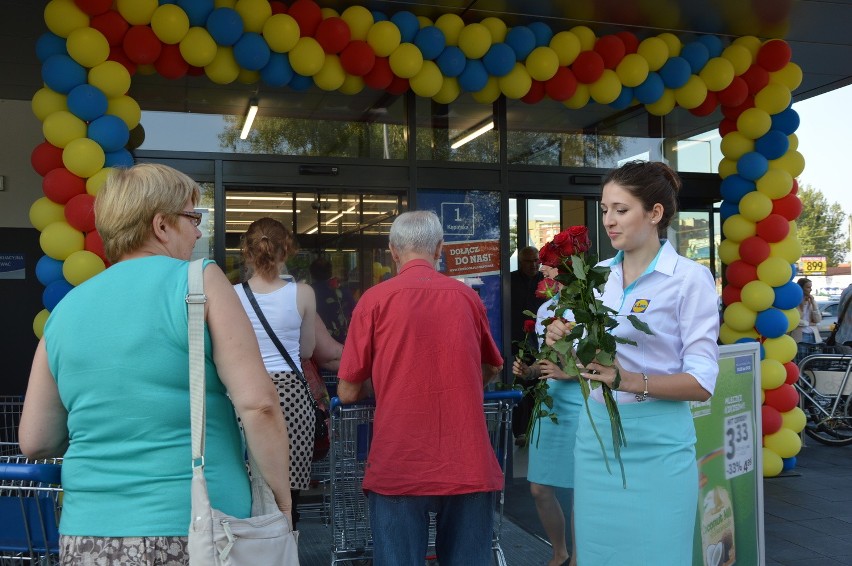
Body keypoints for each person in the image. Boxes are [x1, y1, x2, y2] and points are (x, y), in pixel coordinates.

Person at [18, 163, 292, 564]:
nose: (199, 231)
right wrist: (280, 501)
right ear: (161, 225)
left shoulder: (66, 309)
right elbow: (259, 405)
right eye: (193, 218)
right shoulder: (200, 281)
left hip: (87, 535)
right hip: (197, 530)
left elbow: (36, 440)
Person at [545, 161, 719, 565]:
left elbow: (701, 381)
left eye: (621, 210)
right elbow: (580, 366)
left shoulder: (689, 278)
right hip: (597, 442)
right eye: (605, 209)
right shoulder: (595, 277)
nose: (609, 220)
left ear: (655, 213)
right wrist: (561, 342)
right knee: (597, 555)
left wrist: (626, 380)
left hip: (659, 445)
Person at [337, 210, 504, 566]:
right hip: (467, 462)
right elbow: (491, 366)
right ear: (440, 248)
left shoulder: (374, 301)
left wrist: (383, 378)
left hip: (399, 463)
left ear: (392, 251)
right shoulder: (467, 298)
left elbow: (348, 392)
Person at [234, 217, 317, 528]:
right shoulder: (303, 294)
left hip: (246, 391)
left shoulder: (232, 294)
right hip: (291, 398)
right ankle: (284, 551)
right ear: (288, 249)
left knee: (247, 484)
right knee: (287, 491)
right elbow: (307, 351)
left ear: (247, 251)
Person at [512, 263, 581, 566]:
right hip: (549, 403)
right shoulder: (545, 311)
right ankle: (559, 552)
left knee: (583, 488)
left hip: (582, 403)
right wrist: (527, 371)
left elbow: (605, 367)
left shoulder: (592, 304)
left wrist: (568, 374)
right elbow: (545, 363)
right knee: (539, 488)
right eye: (544, 272)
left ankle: (579, 556)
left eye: (551, 270)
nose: (545, 276)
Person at [510, 245, 546, 445]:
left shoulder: (545, 281)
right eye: (529, 261)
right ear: (520, 262)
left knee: (537, 387)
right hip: (516, 342)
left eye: (536, 261)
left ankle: (533, 428)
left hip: (540, 343)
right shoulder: (510, 281)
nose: (534, 265)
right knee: (519, 386)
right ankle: (520, 430)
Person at [309, 256, 355, 343]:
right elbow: (355, 314)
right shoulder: (343, 291)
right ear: (330, 272)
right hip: (343, 339)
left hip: (317, 342)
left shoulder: (308, 293)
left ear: (311, 274)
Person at [791, 277, 822, 343]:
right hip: (800, 335)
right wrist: (808, 323)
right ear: (801, 288)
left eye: (811, 287)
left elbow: (818, 320)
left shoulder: (811, 301)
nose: (810, 290)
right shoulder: (794, 302)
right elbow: (794, 320)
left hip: (813, 335)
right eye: (808, 287)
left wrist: (813, 303)